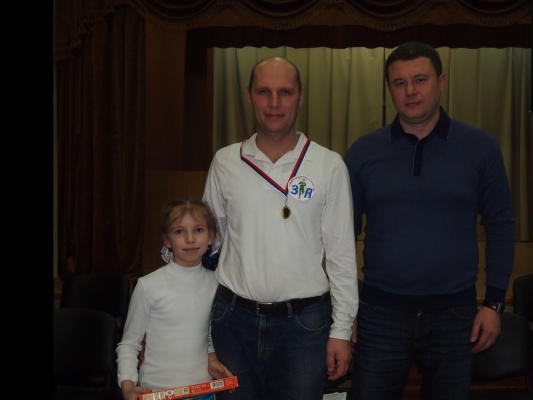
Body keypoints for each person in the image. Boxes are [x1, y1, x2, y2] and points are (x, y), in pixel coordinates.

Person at [344, 41, 516, 399]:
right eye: (399, 82)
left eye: (420, 79)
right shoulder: (363, 152)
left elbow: (500, 224)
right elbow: (340, 236)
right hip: (379, 314)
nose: (410, 91)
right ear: (390, 89)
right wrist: (345, 310)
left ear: (442, 81)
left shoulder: (481, 147)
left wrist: (494, 304)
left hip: (455, 315)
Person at [202, 56, 359, 400]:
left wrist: (341, 330)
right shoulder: (225, 161)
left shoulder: (329, 165)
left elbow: (341, 256)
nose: (274, 103)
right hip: (232, 323)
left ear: (300, 97)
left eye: (285, 92)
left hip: (304, 328)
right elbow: (205, 247)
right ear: (249, 96)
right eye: (264, 92)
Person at [116, 197, 233, 400]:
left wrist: (212, 358)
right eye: (179, 231)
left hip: (202, 392)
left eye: (198, 230)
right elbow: (129, 344)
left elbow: (207, 333)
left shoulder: (217, 283)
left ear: (211, 237)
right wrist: (127, 384)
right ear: (167, 240)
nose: (190, 239)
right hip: (155, 391)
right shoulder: (148, 285)